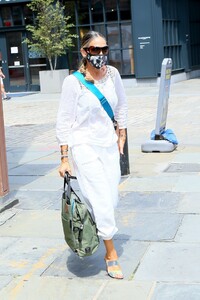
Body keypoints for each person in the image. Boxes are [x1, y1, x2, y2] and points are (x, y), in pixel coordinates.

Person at [56, 31, 128, 279]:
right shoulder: (73, 82)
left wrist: (122, 131)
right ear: (84, 52)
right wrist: (64, 157)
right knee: (101, 198)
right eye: (94, 50)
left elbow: (122, 105)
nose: (100, 54)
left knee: (111, 197)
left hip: (107, 144)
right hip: (83, 145)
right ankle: (111, 253)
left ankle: (97, 221)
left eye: (104, 49)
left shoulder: (113, 75)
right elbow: (64, 121)